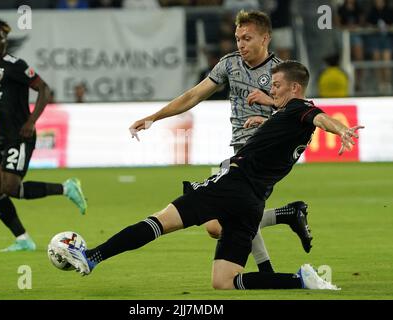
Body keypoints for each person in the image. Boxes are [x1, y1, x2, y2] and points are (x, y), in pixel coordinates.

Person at [56, 61, 362, 290]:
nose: (273, 88)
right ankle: (300, 281)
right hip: (252, 201)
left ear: (295, 88)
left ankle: (93, 256)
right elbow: (295, 118)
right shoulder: (288, 114)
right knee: (224, 281)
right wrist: (265, 115)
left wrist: (342, 130)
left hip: (232, 184)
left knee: (160, 221)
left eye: (278, 85)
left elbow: (319, 117)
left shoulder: (301, 108)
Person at [129, 10, 312, 274]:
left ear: (265, 38)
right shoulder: (229, 64)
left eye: (247, 38)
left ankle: (270, 265)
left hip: (264, 155)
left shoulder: (281, 72)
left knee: (226, 217)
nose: (241, 44)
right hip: (240, 150)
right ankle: (284, 224)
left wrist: (270, 102)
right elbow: (193, 95)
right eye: (238, 38)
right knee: (220, 224)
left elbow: (298, 112)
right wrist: (154, 117)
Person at [0, 19, 87, 252]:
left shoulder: (15, 65)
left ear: (6, 41)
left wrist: (31, 121)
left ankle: (66, 188)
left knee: (10, 188)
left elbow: (44, 89)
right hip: (1, 137)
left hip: (20, 135)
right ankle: (23, 239)